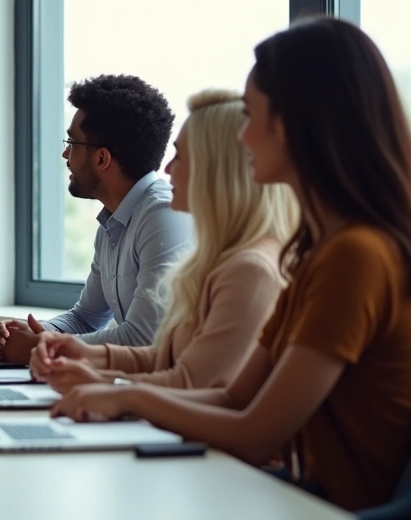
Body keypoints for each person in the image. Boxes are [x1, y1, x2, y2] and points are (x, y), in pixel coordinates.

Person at [51, 17, 411, 512]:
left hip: (323, 507)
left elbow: (255, 433)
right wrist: (114, 391)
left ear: (294, 126)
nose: (241, 139)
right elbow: (234, 398)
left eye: (251, 115)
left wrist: (126, 396)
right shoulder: (314, 255)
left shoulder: (356, 257)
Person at [30, 90, 297, 393]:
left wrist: (105, 386)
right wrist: (68, 349)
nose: (167, 171)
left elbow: (191, 386)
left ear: (214, 172)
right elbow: (162, 357)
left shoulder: (251, 271)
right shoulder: (213, 262)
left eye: (180, 157)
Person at [0, 75, 193, 363]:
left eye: (72, 142)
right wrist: (33, 333)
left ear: (102, 159)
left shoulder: (163, 215)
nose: (65, 153)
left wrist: (41, 347)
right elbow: (85, 319)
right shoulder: (114, 220)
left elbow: (143, 339)